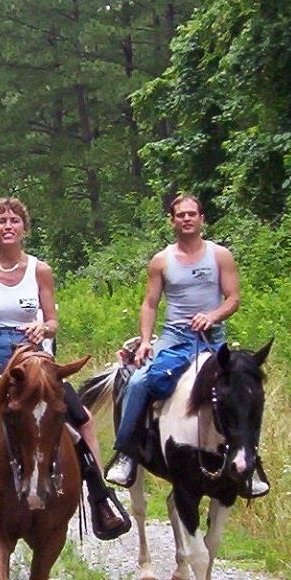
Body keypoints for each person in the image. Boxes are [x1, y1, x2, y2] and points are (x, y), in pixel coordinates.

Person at [0, 197, 129, 540]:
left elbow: (52, 321)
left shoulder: (40, 270)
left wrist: (43, 329)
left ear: (24, 228)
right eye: (1, 220)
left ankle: (100, 498)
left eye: (14, 220)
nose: (8, 226)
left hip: (32, 355)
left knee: (83, 419)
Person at [107, 194, 266, 497]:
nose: (186, 219)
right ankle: (126, 454)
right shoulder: (161, 261)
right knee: (140, 381)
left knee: (246, 390)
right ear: (172, 221)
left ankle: (251, 463)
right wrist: (144, 341)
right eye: (180, 215)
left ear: (202, 219)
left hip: (213, 342)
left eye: (192, 214)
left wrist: (212, 315)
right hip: (175, 339)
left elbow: (233, 298)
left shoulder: (220, 256)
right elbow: (150, 303)